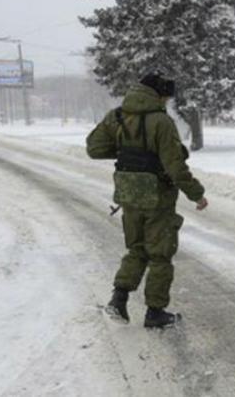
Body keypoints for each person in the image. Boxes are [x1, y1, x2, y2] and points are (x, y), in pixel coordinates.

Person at [86, 71, 208, 328]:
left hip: (128, 193)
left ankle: (118, 300)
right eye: (166, 98)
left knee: (137, 248)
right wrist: (196, 193)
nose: (166, 103)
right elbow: (175, 166)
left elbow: (94, 148)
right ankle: (155, 312)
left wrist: (128, 153)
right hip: (157, 196)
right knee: (160, 255)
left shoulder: (117, 116)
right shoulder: (161, 122)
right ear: (159, 95)